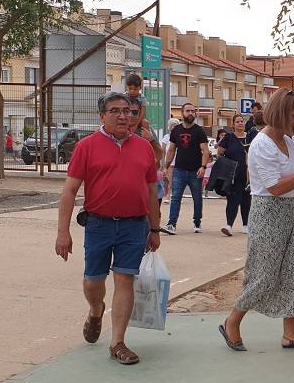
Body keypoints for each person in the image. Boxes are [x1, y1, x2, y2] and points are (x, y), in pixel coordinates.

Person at [54, 91, 162, 366]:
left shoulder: (143, 147)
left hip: (134, 226)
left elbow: (151, 191)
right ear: (102, 116)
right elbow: (69, 192)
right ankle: (95, 309)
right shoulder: (87, 147)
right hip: (99, 224)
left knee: (125, 279)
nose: (124, 116)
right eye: (116, 111)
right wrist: (62, 232)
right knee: (93, 280)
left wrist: (155, 228)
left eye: (128, 110)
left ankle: (118, 342)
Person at [217, 90, 294, 352]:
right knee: (263, 275)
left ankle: (290, 333)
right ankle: (231, 322)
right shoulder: (262, 144)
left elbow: (289, 178)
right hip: (268, 213)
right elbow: (274, 187)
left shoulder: (286, 142)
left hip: (289, 213)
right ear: (279, 114)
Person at [164, 103, 210, 234]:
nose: (191, 113)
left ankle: (197, 222)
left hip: (195, 170)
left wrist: (203, 167)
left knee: (197, 197)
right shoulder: (176, 130)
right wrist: (165, 167)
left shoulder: (199, 131)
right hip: (179, 169)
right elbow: (171, 149)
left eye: (193, 111)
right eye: (188, 111)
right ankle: (171, 224)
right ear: (182, 113)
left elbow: (205, 150)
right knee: (175, 197)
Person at [217, 116, 252, 236]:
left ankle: (246, 225)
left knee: (246, 200)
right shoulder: (228, 137)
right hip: (233, 174)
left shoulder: (250, 137)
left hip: (248, 174)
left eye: (242, 121)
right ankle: (229, 225)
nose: (240, 123)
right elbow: (220, 153)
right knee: (233, 200)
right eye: (237, 122)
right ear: (233, 124)